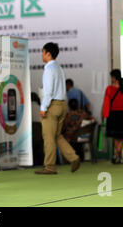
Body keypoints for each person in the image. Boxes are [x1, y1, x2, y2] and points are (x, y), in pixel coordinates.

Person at [36, 42, 81, 175]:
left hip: (52, 105)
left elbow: (48, 91)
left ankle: (50, 166)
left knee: (48, 137)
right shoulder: (59, 68)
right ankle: (74, 157)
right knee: (57, 136)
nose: (42, 55)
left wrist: (43, 107)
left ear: (48, 53)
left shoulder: (49, 69)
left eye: (43, 52)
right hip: (62, 104)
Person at [102, 69, 123, 165]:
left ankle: (117, 154)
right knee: (121, 137)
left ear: (114, 77)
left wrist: (103, 115)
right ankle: (119, 156)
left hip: (113, 115)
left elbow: (106, 104)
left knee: (115, 137)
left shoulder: (109, 89)